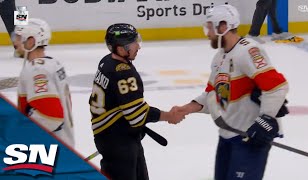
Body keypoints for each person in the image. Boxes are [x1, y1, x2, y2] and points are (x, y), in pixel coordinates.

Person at [173, 4, 289, 180]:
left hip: (249, 138)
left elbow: (277, 87)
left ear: (224, 26)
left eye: (210, 27)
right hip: (227, 135)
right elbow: (213, 95)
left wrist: (265, 121)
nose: (208, 33)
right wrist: (187, 108)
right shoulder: (220, 57)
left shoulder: (249, 51)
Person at [89, 23, 184, 179]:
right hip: (118, 143)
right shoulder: (123, 73)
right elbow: (137, 115)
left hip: (114, 137)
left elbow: (119, 107)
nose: (138, 47)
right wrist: (168, 116)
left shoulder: (106, 62)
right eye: (134, 43)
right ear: (121, 49)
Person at [14, 18, 75, 147]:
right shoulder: (52, 63)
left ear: (31, 41)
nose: (15, 42)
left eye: (19, 38)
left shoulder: (37, 70)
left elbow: (52, 117)